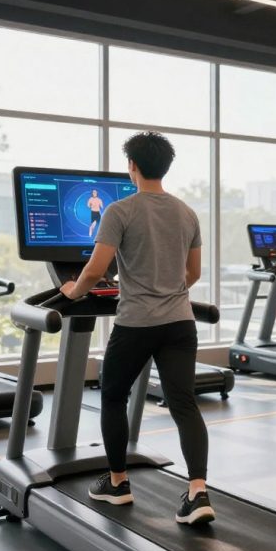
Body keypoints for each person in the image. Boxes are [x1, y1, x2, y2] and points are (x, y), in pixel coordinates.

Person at [59, 131, 214, 525]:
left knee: (112, 396)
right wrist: (168, 289)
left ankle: (117, 483)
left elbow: (95, 270)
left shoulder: (120, 211)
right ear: (165, 166)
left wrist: (73, 291)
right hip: (181, 321)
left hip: (136, 324)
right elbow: (192, 273)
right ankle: (198, 493)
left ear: (132, 166)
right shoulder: (186, 212)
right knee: (184, 403)